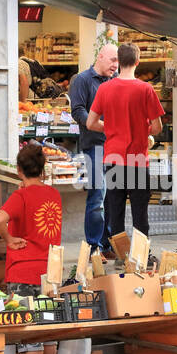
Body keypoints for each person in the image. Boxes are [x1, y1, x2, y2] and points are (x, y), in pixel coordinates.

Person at [0, 143, 62, 354]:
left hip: (25, 270)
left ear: (18, 170)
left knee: (31, 330)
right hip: (50, 270)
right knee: (49, 329)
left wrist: (8, 239)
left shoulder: (20, 197)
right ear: (43, 169)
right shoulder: (54, 194)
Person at [87, 43, 162, 241]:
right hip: (137, 160)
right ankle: (140, 258)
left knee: (116, 213)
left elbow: (90, 123)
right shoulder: (146, 89)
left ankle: (120, 256)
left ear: (119, 62)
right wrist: (141, 130)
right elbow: (157, 128)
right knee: (140, 214)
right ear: (138, 62)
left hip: (113, 159)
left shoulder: (104, 88)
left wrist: (112, 127)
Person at [68, 43, 118, 257]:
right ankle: (93, 246)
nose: (115, 65)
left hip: (116, 146)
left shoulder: (115, 82)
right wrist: (96, 124)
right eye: (112, 60)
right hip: (94, 146)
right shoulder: (82, 80)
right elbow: (77, 110)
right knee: (97, 197)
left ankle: (108, 245)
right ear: (100, 57)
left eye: (118, 61)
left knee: (112, 199)